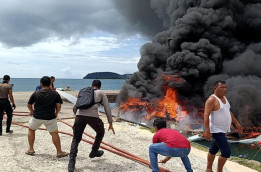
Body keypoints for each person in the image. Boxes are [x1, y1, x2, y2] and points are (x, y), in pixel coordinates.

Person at [68, 79, 115, 172]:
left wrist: (76, 116)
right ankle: (94, 151)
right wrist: (110, 122)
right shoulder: (101, 93)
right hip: (93, 117)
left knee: (76, 138)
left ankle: (71, 163)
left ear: (91, 85)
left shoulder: (83, 91)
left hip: (79, 116)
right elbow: (107, 108)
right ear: (100, 86)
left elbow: (75, 106)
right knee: (100, 132)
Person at [204, 80, 243, 172]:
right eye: (222, 87)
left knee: (213, 149)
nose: (224, 89)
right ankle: (219, 170)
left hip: (222, 130)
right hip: (216, 130)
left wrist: (236, 123)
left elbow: (228, 111)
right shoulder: (212, 99)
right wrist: (207, 131)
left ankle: (208, 169)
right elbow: (206, 115)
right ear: (215, 88)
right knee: (226, 152)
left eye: (225, 87)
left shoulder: (224, 98)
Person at [26, 76, 69, 158]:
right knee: (54, 133)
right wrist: (56, 113)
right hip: (50, 117)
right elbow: (59, 105)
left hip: (37, 116)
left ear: (41, 84)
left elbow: (29, 105)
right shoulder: (55, 93)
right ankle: (59, 152)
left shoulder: (36, 93)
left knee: (31, 130)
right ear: (50, 84)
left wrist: (32, 111)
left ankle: (31, 149)